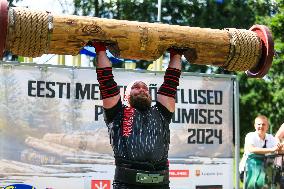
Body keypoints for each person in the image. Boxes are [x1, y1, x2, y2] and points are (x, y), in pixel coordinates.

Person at [93, 41, 182, 189]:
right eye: (135, 87)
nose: (142, 89)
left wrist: (176, 53)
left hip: (160, 184)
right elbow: (106, 81)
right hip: (127, 184)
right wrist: (100, 49)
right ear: (126, 96)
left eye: (145, 88)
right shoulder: (117, 114)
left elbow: (171, 82)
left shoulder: (161, 113)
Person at [239, 115, 282, 189]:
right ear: (255, 126)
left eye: (263, 124)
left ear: (267, 127)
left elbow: (278, 150)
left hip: (267, 171)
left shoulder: (271, 137)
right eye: (259, 124)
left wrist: (280, 148)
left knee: (278, 180)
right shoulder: (250, 136)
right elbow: (251, 149)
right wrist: (271, 150)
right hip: (249, 170)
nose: (261, 126)